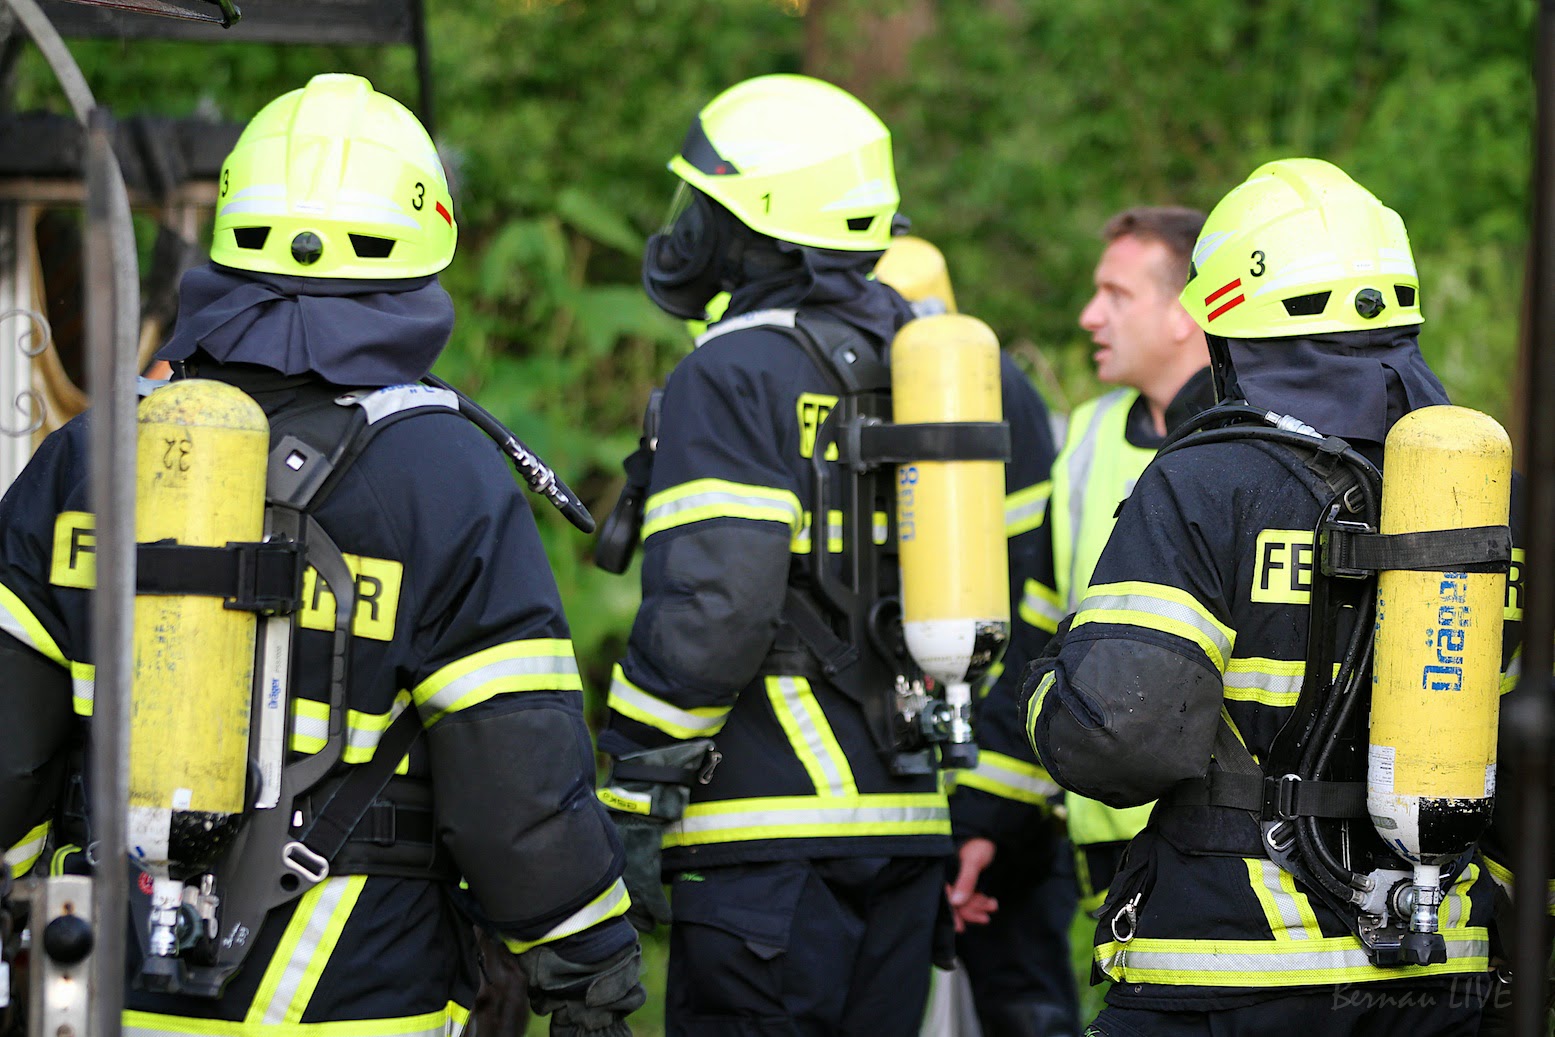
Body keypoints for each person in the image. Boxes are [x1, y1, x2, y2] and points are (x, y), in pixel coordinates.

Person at [0, 73, 641, 1037]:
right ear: (420, 250)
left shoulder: (90, 455)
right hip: (350, 997)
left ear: (230, 233)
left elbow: (11, 740)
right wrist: (587, 960)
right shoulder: (445, 471)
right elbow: (514, 773)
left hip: (109, 991)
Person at [594, 73, 1054, 1034]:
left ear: (752, 226)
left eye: (706, 206)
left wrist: (634, 769)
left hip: (761, 839)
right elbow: (1025, 592)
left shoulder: (733, 371)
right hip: (908, 829)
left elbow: (716, 607)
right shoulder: (958, 368)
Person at [1022, 157, 1521, 1035]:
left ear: (1227, 331)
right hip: (1442, 968)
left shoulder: (1207, 480)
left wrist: (1048, 685)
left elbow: (1117, 740)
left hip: (1233, 965)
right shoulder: (1479, 493)